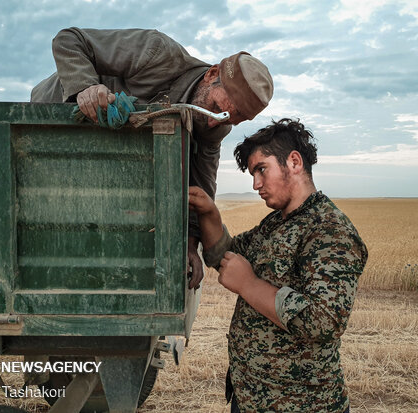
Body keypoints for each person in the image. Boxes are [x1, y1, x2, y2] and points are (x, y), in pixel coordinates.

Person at [31, 27, 274, 289]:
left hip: (108, 165)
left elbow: (200, 190)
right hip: (55, 123)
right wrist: (86, 87)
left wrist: (190, 247)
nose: (215, 124)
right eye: (216, 108)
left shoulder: (216, 125)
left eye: (231, 120)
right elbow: (69, 39)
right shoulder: (156, 53)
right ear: (211, 74)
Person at [188, 119, 368, 412]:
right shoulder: (276, 223)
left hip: (301, 405)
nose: (256, 184)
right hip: (252, 398)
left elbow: (323, 322)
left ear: (294, 162)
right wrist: (209, 212)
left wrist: (249, 285)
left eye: (261, 169)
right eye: (252, 174)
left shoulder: (329, 230)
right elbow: (228, 257)